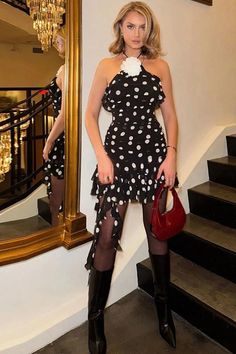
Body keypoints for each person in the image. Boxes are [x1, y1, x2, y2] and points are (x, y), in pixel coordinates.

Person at [85, 2, 178, 352]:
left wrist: (171, 155)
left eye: (142, 26)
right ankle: (95, 322)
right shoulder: (106, 66)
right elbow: (90, 115)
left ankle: (163, 313)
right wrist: (101, 156)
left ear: (148, 30)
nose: (137, 33)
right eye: (130, 26)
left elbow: (170, 117)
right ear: (120, 28)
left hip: (154, 155)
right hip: (117, 157)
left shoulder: (161, 66)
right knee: (108, 235)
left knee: (157, 231)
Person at [43, 27, 65, 226]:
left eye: (59, 41)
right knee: (54, 199)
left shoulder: (68, 70)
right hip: (60, 134)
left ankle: (56, 236)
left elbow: (66, 114)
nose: (56, 45)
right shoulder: (63, 67)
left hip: (63, 137)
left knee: (56, 201)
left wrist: (49, 141)